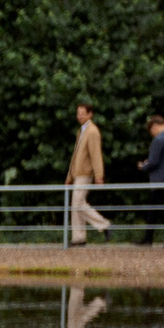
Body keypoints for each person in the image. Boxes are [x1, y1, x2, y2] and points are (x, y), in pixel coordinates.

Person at [68, 103, 110, 245]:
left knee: (78, 204)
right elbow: (75, 155)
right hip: (77, 173)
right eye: (78, 113)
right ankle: (79, 237)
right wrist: (69, 175)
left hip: (85, 173)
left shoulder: (92, 131)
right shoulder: (82, 131)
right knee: (76, 206)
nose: (80, 116)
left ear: (90, 114)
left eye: (83, 113)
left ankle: (103, 224)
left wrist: (99, 175)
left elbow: (95, 154)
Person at [138, 114, 164, 246]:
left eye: (151, 129)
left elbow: (153, 162)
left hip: (159, 180)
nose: (151, 133)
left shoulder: (158, 140)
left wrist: (143, 166)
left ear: (155, 126)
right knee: (154, 210)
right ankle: (148, 237)